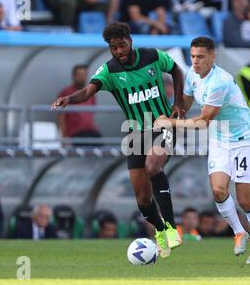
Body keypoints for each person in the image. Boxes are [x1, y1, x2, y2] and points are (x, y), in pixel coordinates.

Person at [51, 22, 185, 258]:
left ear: (130, 41)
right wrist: (69, 99)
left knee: (153, 166)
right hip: (135, 133)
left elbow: (177, 70)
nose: (119, 51)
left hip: (162, 124)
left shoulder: (152, 56)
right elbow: (88, 91)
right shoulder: (109, 70)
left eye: (122, 45)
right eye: (114, 48)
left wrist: (178, 103)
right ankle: (161, 231)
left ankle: (173, 228)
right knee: (143, 200)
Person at [155, 36, 250, 264]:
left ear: (213, 57)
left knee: (245, 200)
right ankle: (239, 231)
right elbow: (186, 104)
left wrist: (171, 124)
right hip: (220, 139)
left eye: (200, 57)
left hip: (244, 139)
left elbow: (204, 121)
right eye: (193, 57)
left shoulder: (220, 81)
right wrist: (172, 115)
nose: (195, 61)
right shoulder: (192, 75)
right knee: (218, 190)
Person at [57, 64, 102, 147]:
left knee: (101, 148)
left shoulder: (90, 93)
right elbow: (61, 117)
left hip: (91, 131)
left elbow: (91, 115)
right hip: (75, 133)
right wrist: (64, 137)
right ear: (73, 76)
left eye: (84, 74)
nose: (82, 77)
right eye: (79, 75)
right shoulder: (66, 93)